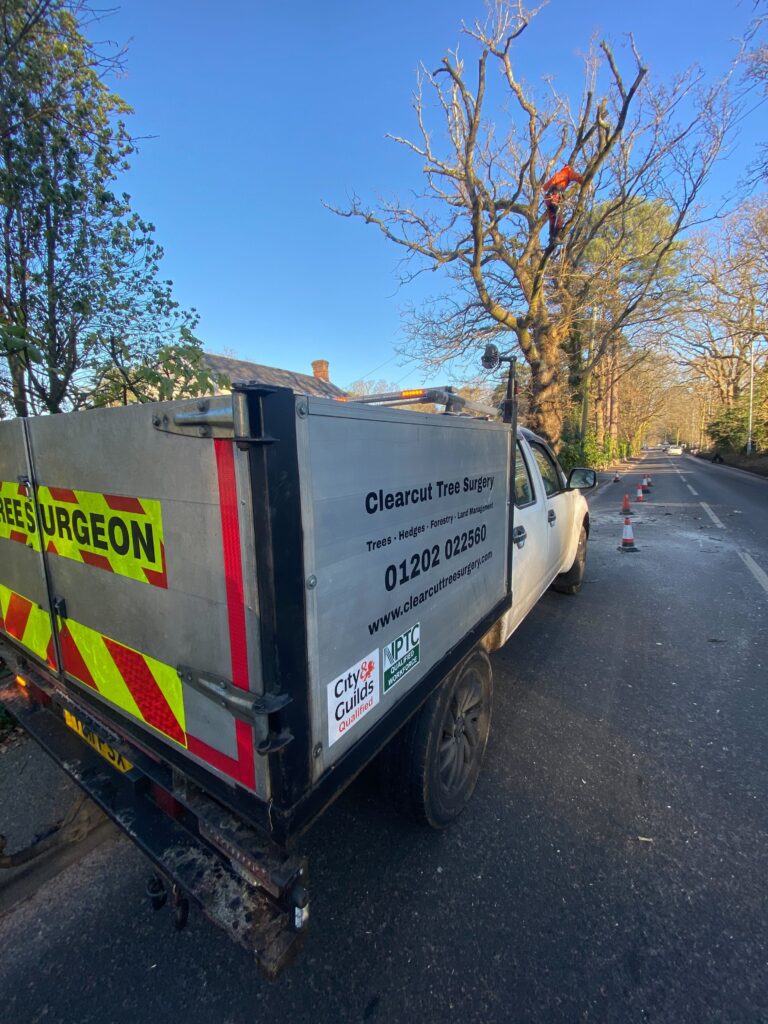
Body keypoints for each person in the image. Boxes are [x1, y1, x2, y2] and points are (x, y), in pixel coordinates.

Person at [542, 164, 584, 243]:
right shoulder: (568, 171)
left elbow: (544, 187)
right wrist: (582, 180)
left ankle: (552, 237)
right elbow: (575, 176)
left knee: (552, 217)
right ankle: (556, 237)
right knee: (560, 217)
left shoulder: (557, 174)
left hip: (548, 198)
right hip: (555, 196)